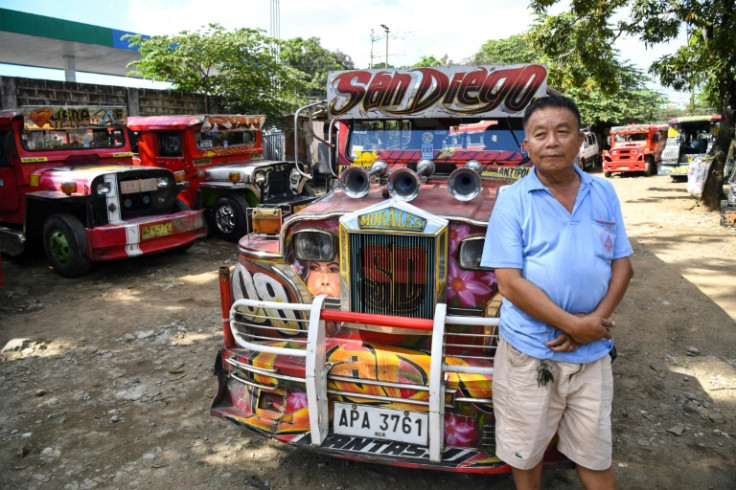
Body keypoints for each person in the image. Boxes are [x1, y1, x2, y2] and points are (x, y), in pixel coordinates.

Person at [480, 94, 634, 489]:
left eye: (563, 132)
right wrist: (573, 324)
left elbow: (622, 265)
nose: (552, 142)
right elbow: (509, 282)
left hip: (593, 353)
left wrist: (592, 323)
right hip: (532, 352)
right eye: (540, 134)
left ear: (581, 139)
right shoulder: (513, 200)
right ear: (526, 146)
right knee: (526, 454)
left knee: (595, 454)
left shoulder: (603, 193)